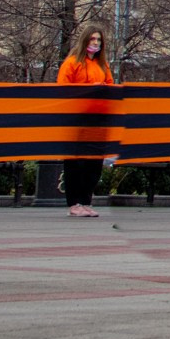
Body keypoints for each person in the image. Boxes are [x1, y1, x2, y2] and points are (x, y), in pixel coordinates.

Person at [56, 25, 113, 218]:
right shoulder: (72, 63)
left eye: (99, 40)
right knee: (76, 163)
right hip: (76, 119)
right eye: (92, 39)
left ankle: (86, 201)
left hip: (97, 119)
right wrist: (88, 89)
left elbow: (110, 86)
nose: (96, 43)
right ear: (85, 41)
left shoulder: (102, 65)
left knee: (94, 163)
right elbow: (63, 89)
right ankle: (74, 203)